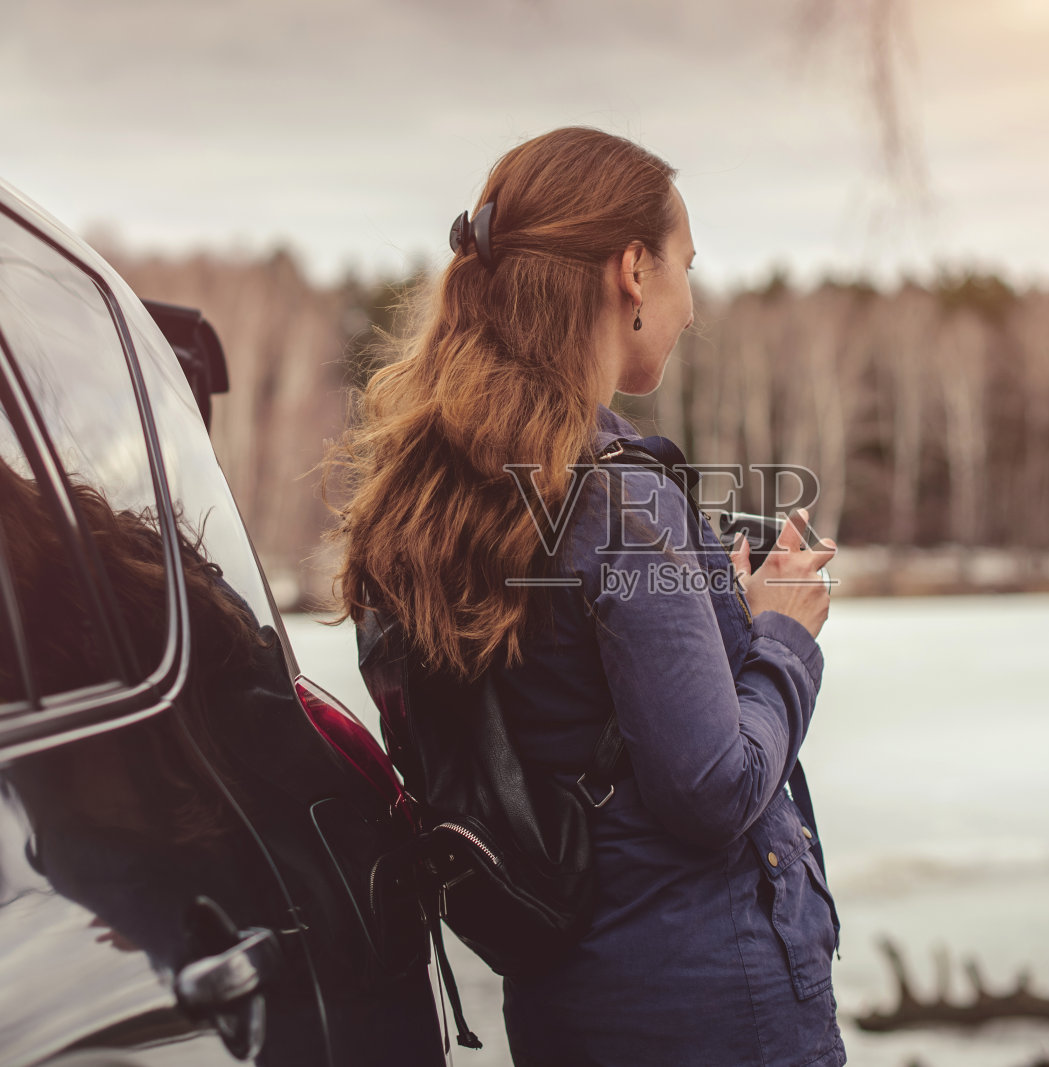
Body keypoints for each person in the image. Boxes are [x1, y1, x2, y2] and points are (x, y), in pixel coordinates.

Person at [332, 127, 843, 1066]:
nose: (692, 307)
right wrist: (780, 634)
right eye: (688, 266)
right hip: (711, 1014)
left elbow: (564, 696)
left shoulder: (447, 488)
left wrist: (706, 607)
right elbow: (712, 788)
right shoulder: (616, 498)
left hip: (567, 1008)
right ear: (633, 271)